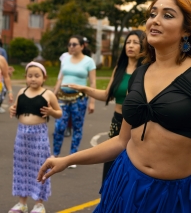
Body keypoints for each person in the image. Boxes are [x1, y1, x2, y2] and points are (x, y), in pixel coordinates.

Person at [37, 0, 191, 213]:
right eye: (152, 14)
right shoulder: (139, 74)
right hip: (125, 182)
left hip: (175, 197)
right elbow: (122, 141)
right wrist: (67, 159)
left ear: (186, 30)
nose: (154, 20)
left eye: (167, 15)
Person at [68, 29, 145, 183]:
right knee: (111, 168)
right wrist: (85, 89)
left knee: (133, 169)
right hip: (117, 122)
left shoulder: (147, 70)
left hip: (138, 125)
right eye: (128, 42)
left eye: (135, 42)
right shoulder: (119, 69)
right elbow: (106, 95)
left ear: (143, 46)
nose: (130, 46)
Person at [8, 62, 62, 213]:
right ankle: (22, 203)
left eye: (37, 76)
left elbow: (59, 113)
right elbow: (16, 108)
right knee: (21, 168)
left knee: (40, 167)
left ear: (44, 77)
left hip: (39, 136)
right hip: (21, 135)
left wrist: (51, 111)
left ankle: (39, 204)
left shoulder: (48, 94)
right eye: (30, 76)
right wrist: (12, 110)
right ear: (25, 77)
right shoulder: (21, 92)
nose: (33, 79)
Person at [52, 35, 96, 166]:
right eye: (69, 44)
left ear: (82, 46)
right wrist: (53, 95)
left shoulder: (88, 61)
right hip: (63, 97)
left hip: (79, 99)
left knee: (77, 127)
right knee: (59, 126)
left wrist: (92, 102)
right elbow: (60, 78)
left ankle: (73, 157)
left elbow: (93, 82)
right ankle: (55, 155)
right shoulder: (65, 59)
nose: (71, 47)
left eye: (74, 44)